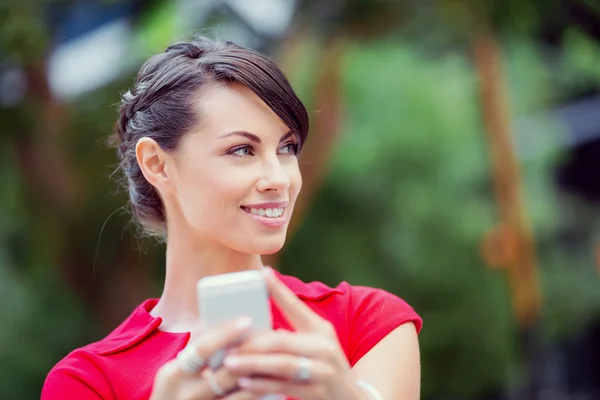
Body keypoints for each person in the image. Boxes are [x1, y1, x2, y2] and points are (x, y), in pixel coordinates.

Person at [41, 36, 422, 400]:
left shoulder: (367, 323)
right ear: (157, 164)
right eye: (242, 150)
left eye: (286, 148)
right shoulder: (88, 382)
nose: (278, 179)